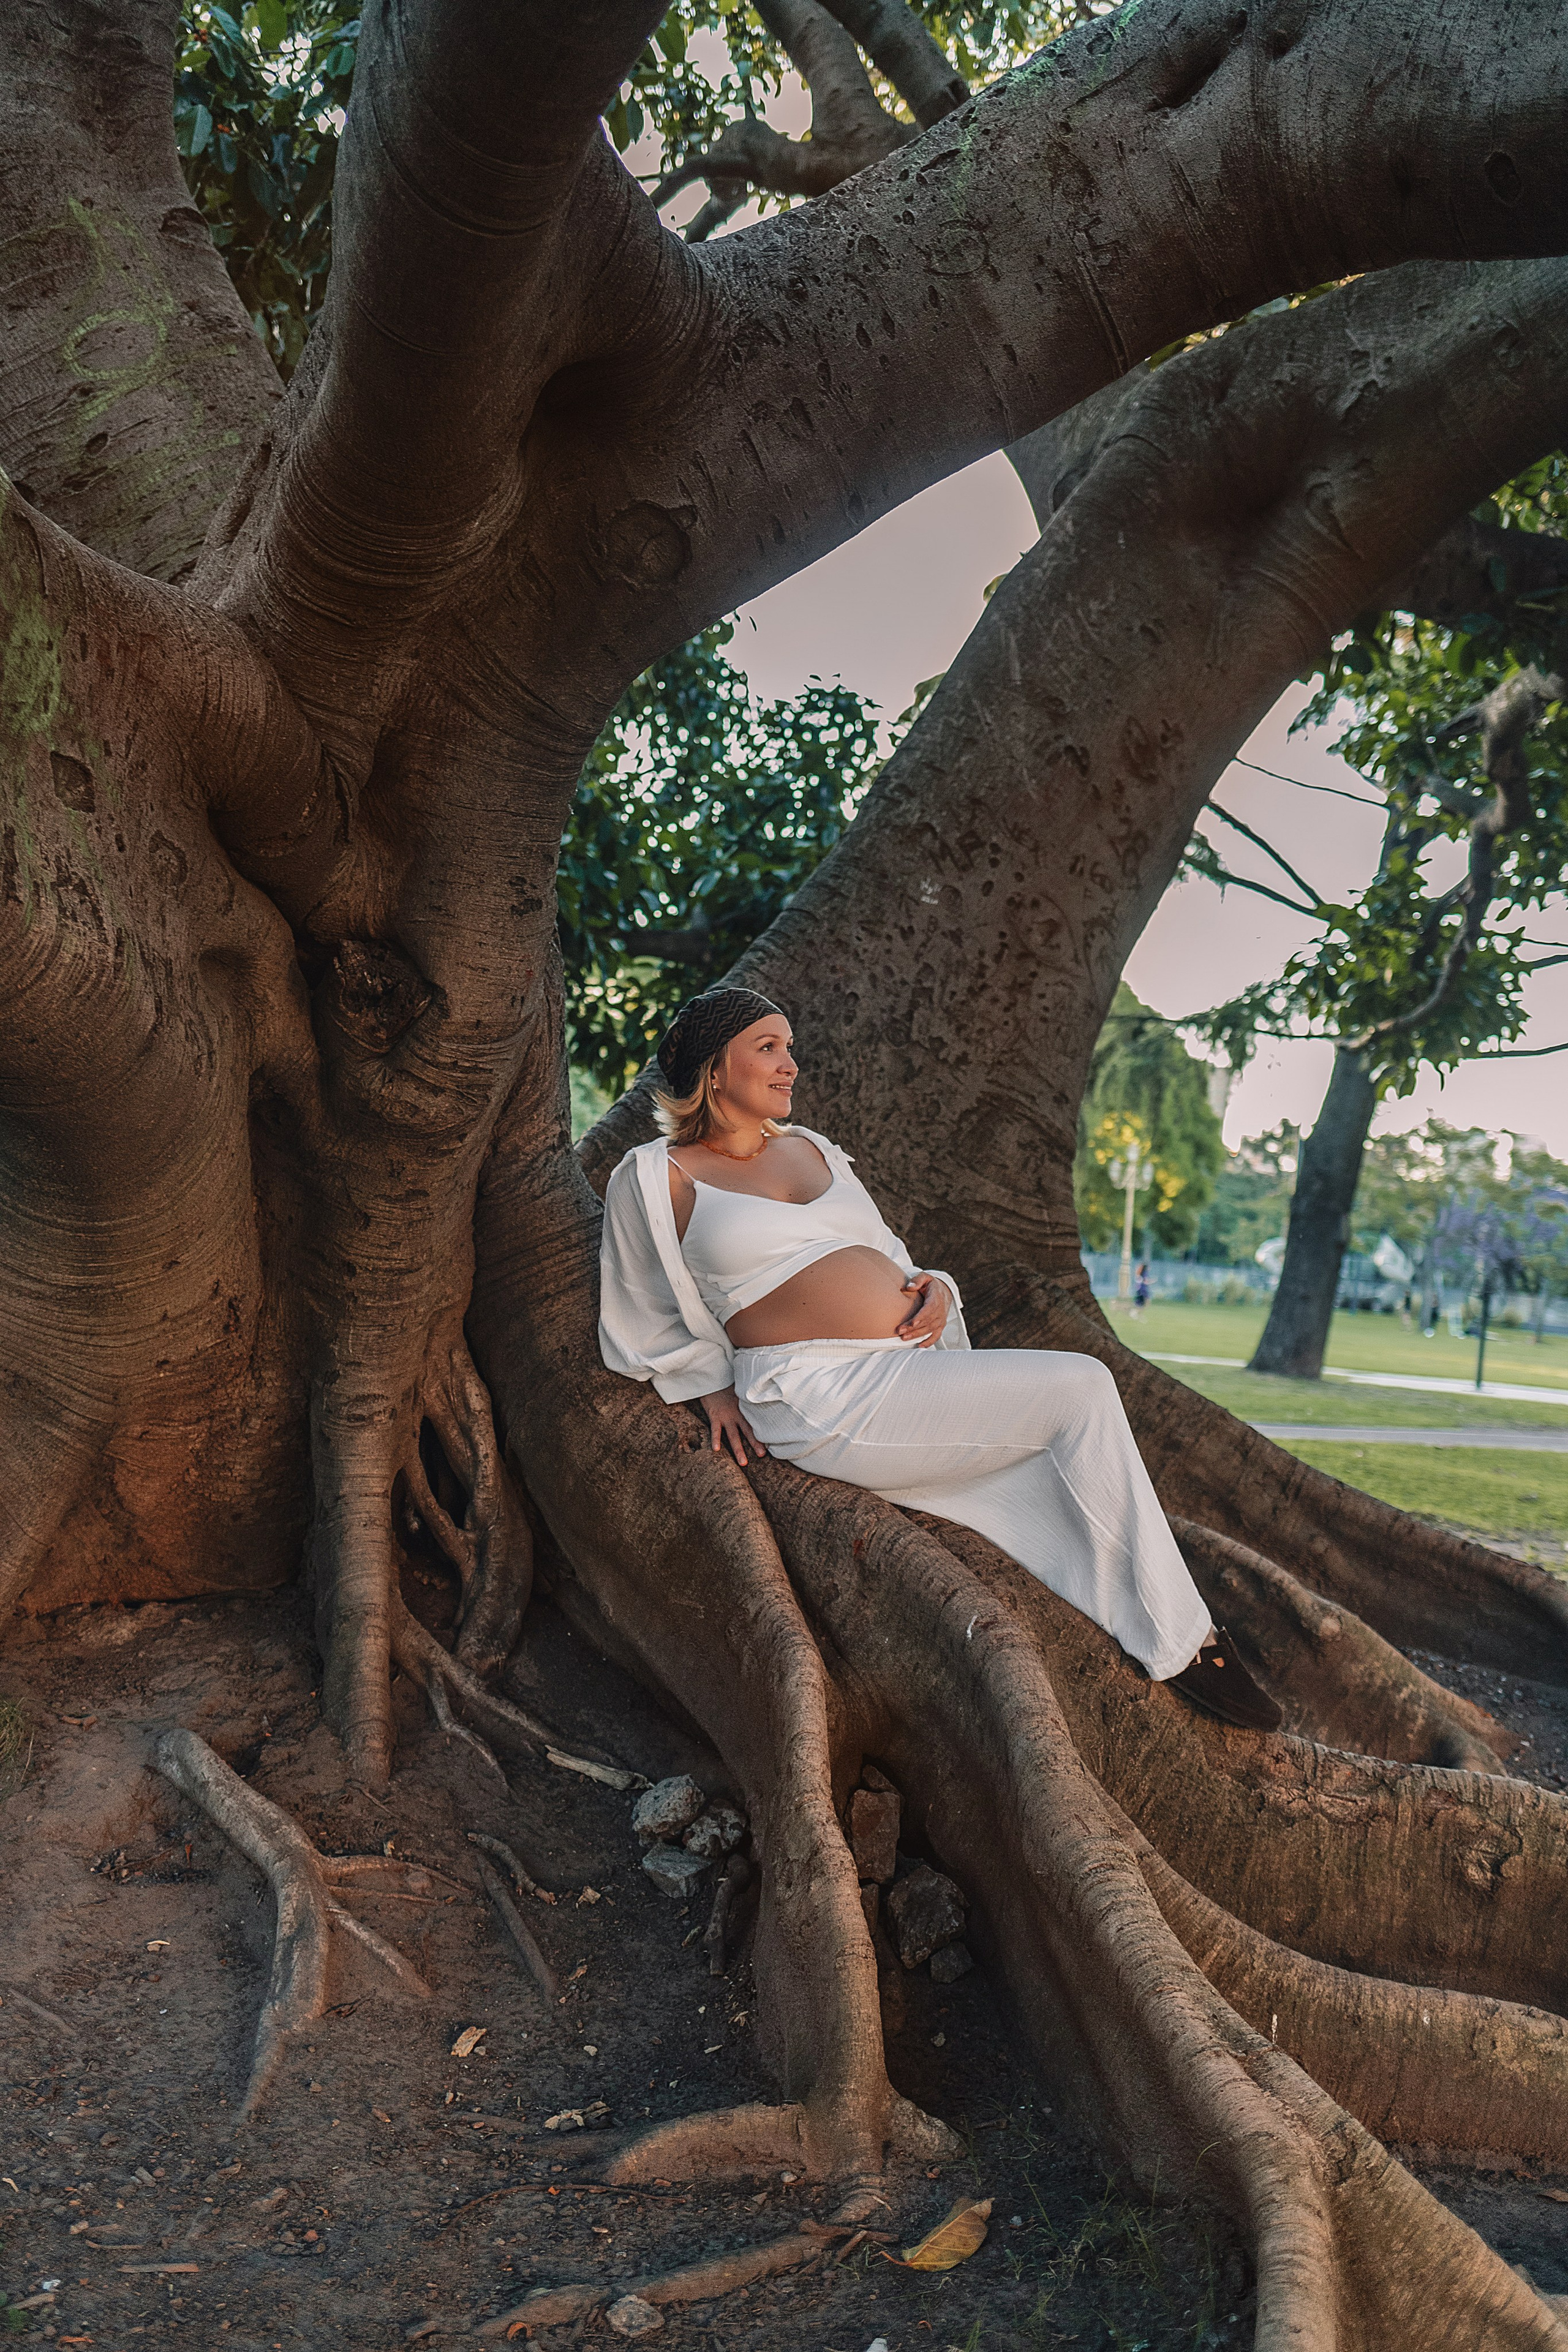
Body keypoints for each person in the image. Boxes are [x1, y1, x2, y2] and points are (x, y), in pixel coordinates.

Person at [598, 987, 1280, 1731]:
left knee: (1075, 1417)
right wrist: (710, 1387)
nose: (791, 1065)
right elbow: (644, 1303)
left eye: (790, 1047)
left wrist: (940, 1293)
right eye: (768, 1048)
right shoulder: (657, 1174)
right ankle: (1186, 1642)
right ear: (713, 1067)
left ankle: (1158, 1619)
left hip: (906, 1368)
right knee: (1081, 1387)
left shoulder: (814, 1150)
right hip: (813, 1393)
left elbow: (891, 1256)